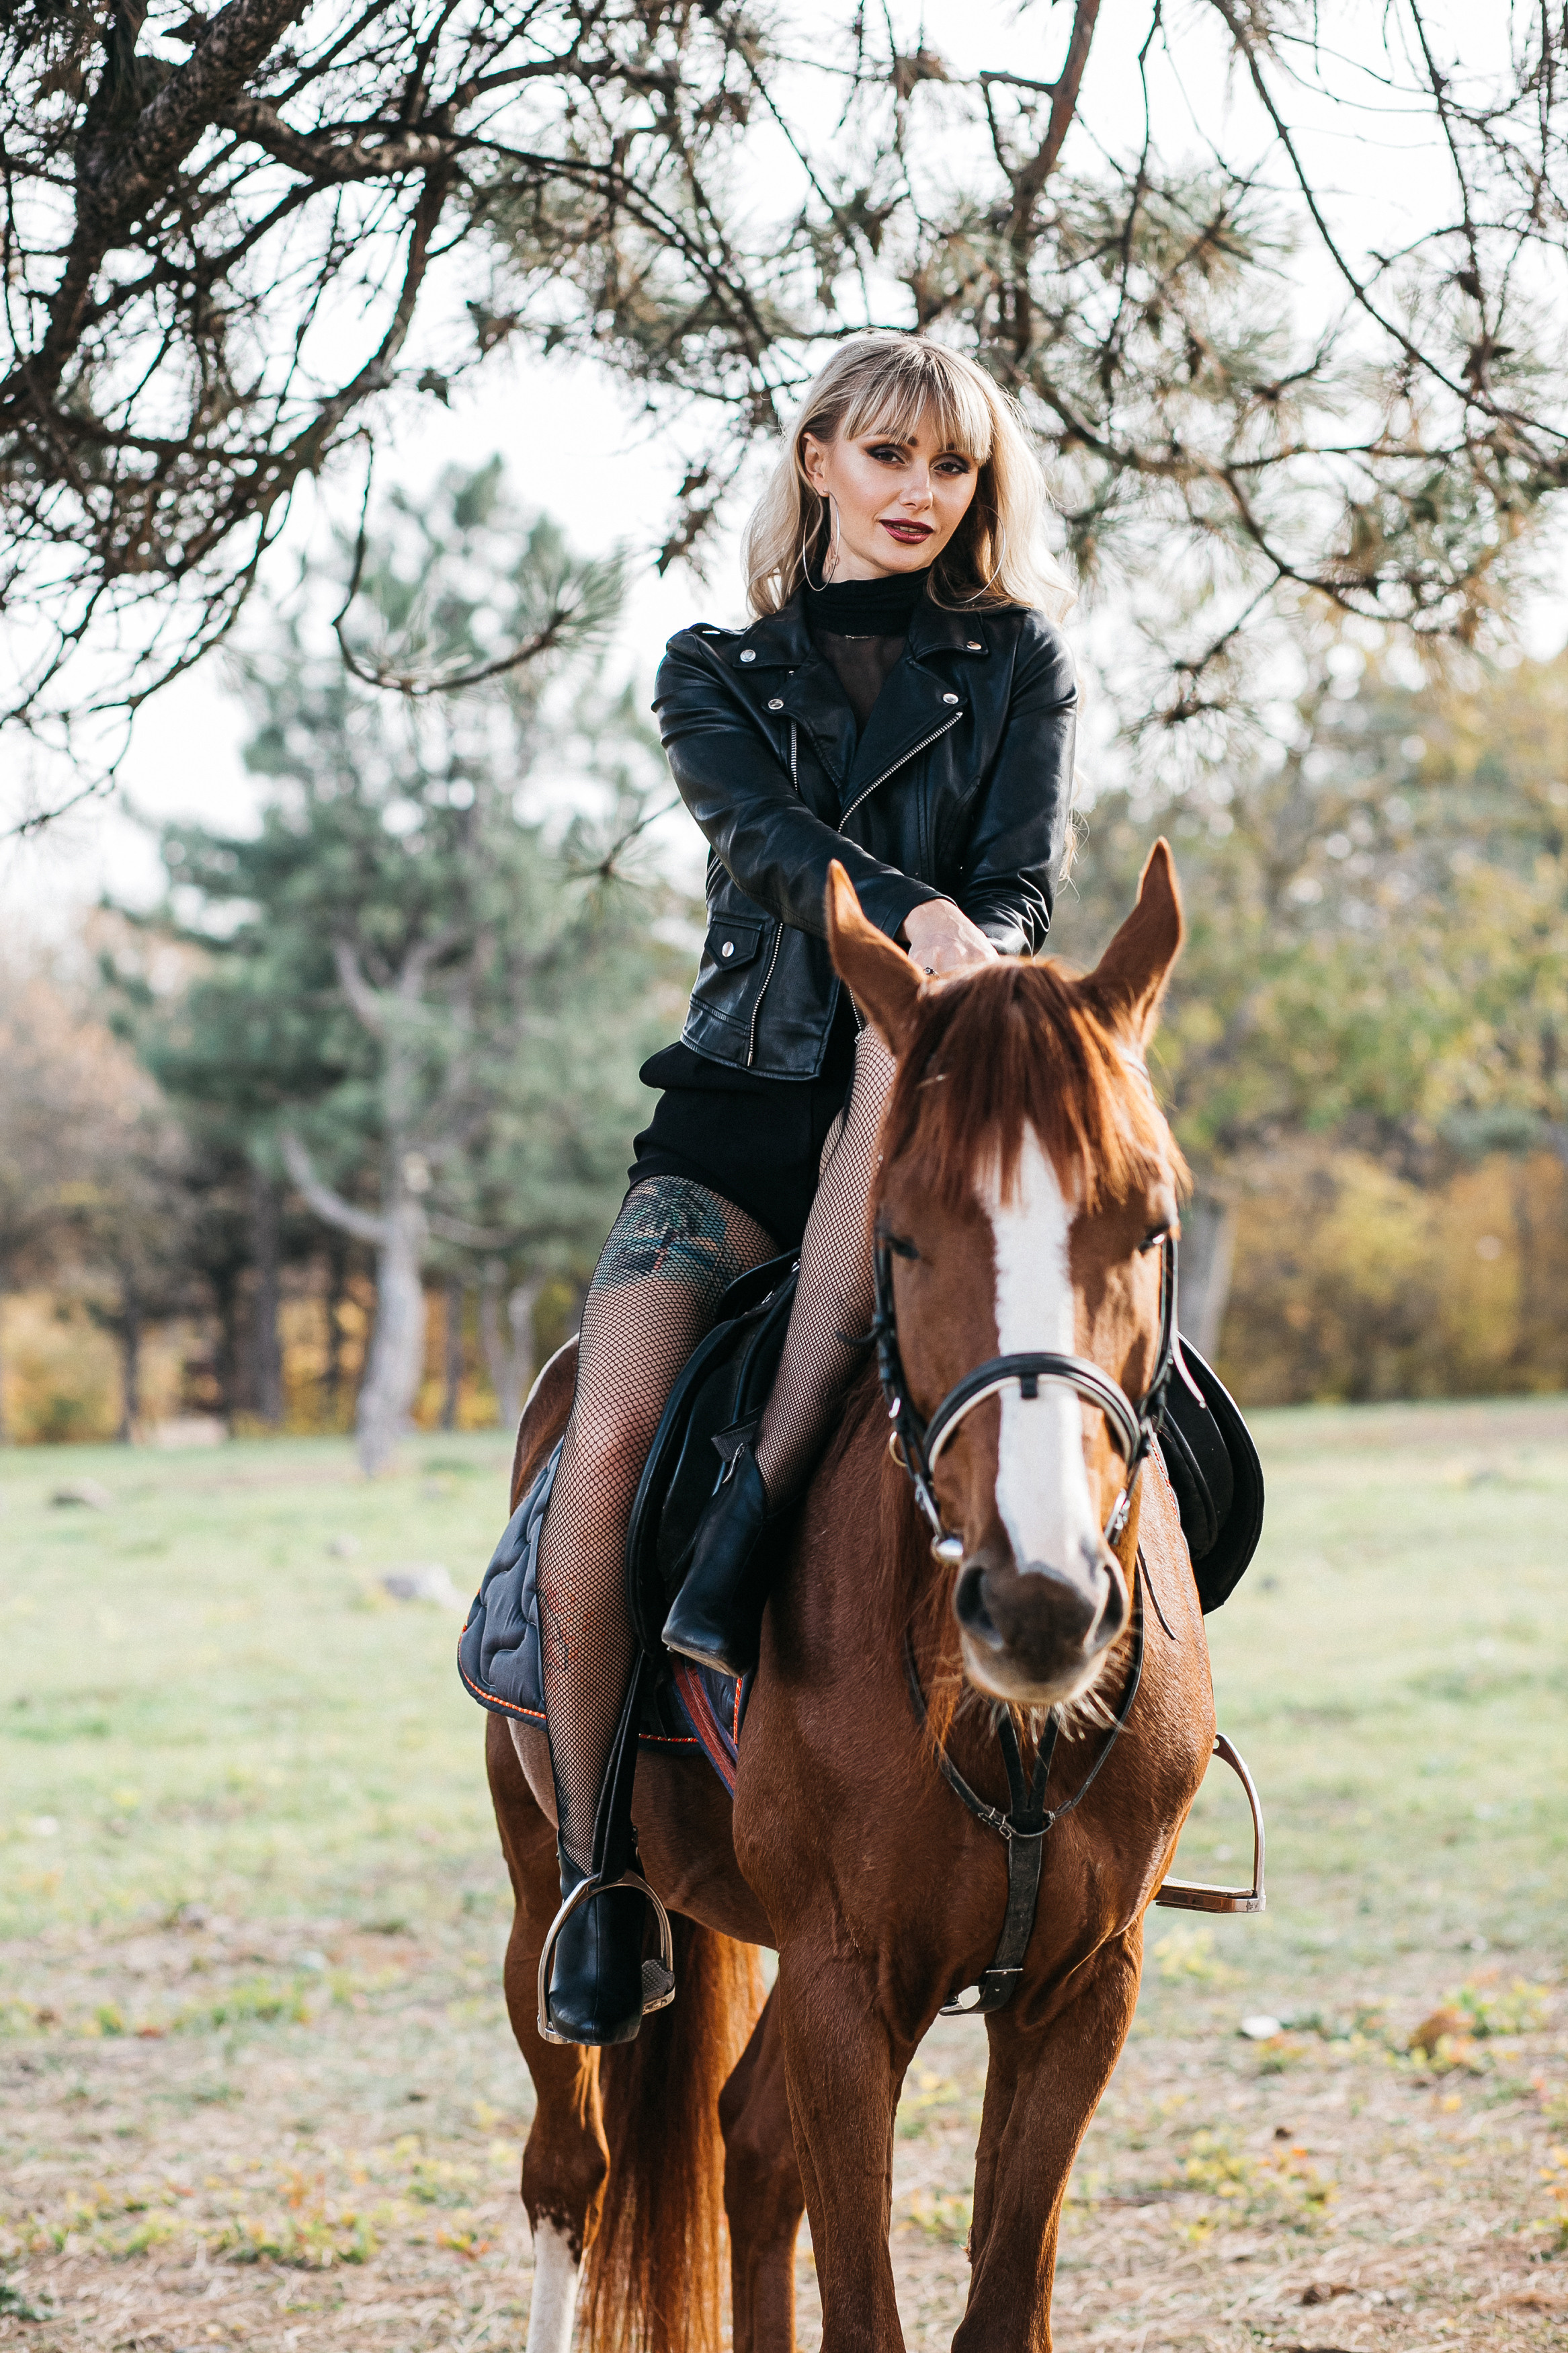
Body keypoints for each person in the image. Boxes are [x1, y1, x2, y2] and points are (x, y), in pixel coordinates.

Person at [535, 331, 1078, 2044]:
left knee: (1053, 1362)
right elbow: (759, 845)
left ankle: (1130, 1751)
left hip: (912, 1081)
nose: (924, 493)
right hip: (730, 1112)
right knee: (603, 1444)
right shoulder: (714, 668)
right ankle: (596, 1876)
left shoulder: (1016, 665)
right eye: (893, 457)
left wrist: (959, 949)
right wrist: (904, 914)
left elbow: (1027, 886)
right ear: (820, 458)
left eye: (954, 468)